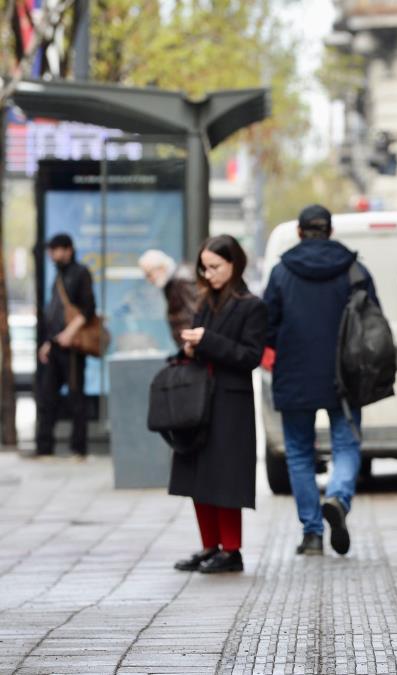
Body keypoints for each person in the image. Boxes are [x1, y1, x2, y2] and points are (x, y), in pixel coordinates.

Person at [264, 204, 380, 557]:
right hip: (345, 375)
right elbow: (373, 320)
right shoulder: (354, 269)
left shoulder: (282, 272)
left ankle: (312, 533)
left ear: (300, 233)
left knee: (299, 453)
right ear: (331, 231)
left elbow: (266, 325)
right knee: (346, 445)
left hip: (294, 374)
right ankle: (338, 499)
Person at [168, 235, 267, 574]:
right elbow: (201, 346)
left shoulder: (251, 306)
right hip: (199, 400)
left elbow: (250, 356)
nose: (208, 274)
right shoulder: (205, 302)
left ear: (233, 264)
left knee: (225, 477)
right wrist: (190, 348)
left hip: (230, 403)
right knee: (198, 474)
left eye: (215, 267)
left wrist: (207, 341)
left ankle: (231, 549)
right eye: (204, 268)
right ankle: (210, 545)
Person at [35, 233, 96, 459]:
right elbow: (54, 312)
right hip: (55, 345)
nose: (52, 254)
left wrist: (69, 334)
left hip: (72, 348)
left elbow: (88, 310)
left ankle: (79, 449)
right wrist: (48, 342)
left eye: (56, 249)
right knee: (47, 397)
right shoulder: (59, 275)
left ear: (68, 250)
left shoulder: (80, 273)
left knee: (76, 397)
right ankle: (44, 447)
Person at [138, 249, 198, 348]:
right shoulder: (172, 281)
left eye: (149, 274)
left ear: (161, 268)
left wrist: (192, 343)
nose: (149, 280)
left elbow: (196, 311)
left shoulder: (183, 279)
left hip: (192, 343)